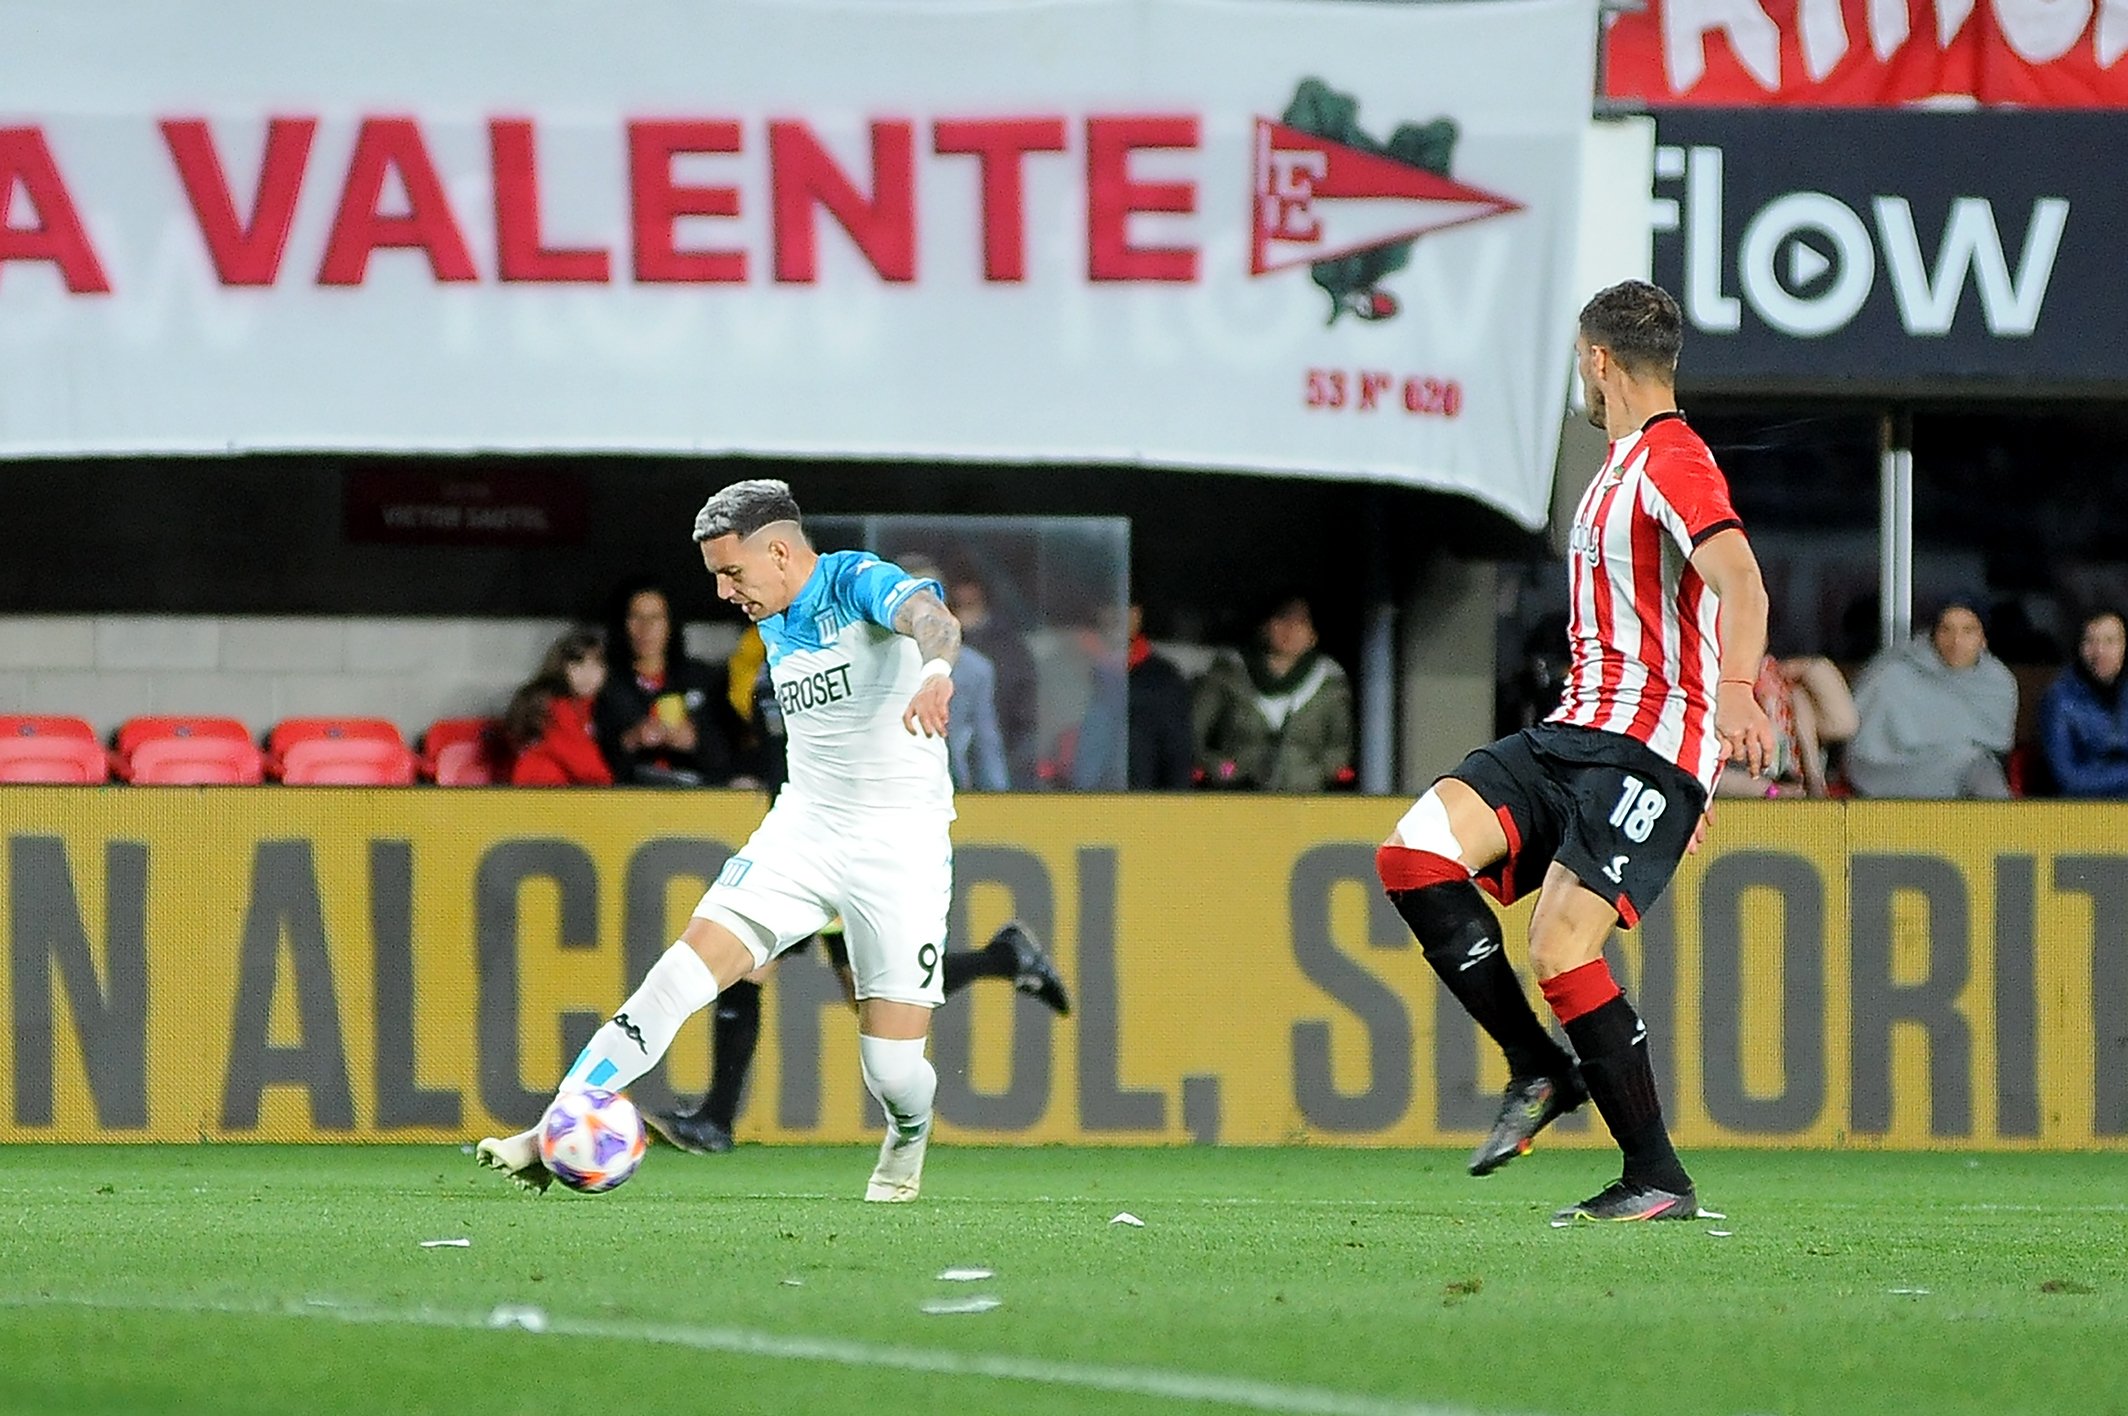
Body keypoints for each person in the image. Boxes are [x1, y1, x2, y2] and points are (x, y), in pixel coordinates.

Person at [1373, 280, 1772, 1224]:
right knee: (1413, 852)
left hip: (1649, 748)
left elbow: (1742, 582)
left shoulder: (1673, 460)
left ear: (1598, 361)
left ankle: (1657, 1178)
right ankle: (1539, 1066)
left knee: (1560, 947)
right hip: (1575, 729)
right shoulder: (1621, 461)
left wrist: (1737, 692)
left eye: (1579, 362)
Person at [479, 479, 964, 1201]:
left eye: (731, 573)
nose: (725, 592)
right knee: (675, 977)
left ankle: (908, 1133)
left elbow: (933, 617)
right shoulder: (769, 617)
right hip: (803, 832)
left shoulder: (855, 580)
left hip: (900, 846)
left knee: (893, 1073)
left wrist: (933, 672)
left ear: (778, 550)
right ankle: (555, 1122)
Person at [1845, 600, 2017, 800]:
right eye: (1946, 630)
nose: (1956, 641)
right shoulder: (1893, 672)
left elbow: (1998, 747)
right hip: (1890, 769)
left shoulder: (1998, 682)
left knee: (1979, 768)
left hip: (1967, 770)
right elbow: (1863, 746)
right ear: (1933, 636)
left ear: (1983, 639)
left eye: (1968, 631)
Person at [1192, 594, 1353, 791]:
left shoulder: (1330, 683)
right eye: (1282, 619)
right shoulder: (1227, 674)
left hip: (1305, 803)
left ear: (1313, 635)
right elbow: (1192, 738)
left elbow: (1340, 749)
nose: (1290, 629)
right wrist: (1227, 771)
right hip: (1236, 799)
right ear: (1264, 626)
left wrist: (1312, 776)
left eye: (1300, 622)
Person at [593, 578, 742, 787]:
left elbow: (733, 749)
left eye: (655, 618)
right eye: (636, 617)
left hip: (697, 801)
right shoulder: (606, 684)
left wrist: (695, 741)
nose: (646, 628)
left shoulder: (703, 679)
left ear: (670, 624)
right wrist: (631, 740)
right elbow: (587, 760)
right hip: (628, 803)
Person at [1713, 654, 1858, 799]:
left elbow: (1843, 725)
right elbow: (1711, 775)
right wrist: (1772, 791)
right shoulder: (1716, 689)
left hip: (1797, 781)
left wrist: (1811, 668)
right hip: (1754, 794)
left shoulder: (1784, 687)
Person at [946, 568, 1041, 788]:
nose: (967, 617)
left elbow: (994, 734)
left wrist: (1002, 789)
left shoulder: (991, 658)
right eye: (960, 607)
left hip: (990, 766)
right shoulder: (907, 658)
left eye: (972, 606)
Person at [503, 628, 614, 787]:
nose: (587, 674)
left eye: (597, 665)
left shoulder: (591, 707)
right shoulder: (555, 707)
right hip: (543, 792)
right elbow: (585, 765)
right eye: (577, 664)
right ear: (562, 667)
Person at [2038, 608, 2128, 798]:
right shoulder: (2058, 699)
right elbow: (2068, 779)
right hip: (2084, 810)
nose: (2099, 651)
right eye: (2090, 641)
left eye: (2110, 641)